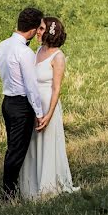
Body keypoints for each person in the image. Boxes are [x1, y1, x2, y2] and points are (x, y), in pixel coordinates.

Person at [19, 16, 78, 199]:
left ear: (51, 31)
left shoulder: (58, 56)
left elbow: (56, 88)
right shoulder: (37, 51)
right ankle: (31, 186)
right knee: (32, 145)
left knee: (47, 144)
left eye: (42, 28)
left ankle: (48, 187)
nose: (38, 31)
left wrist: (49, 114)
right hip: (34, 104)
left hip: (48, 105)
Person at [0, 7, 46, 199]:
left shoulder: (2, 45)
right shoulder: (24, 52)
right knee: (16, 152)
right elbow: (31, 86)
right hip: (21, 105)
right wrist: (39, 113)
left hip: (7, 102)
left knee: (13, 147)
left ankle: (14, 188)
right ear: (33, 30)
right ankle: (9, 193)